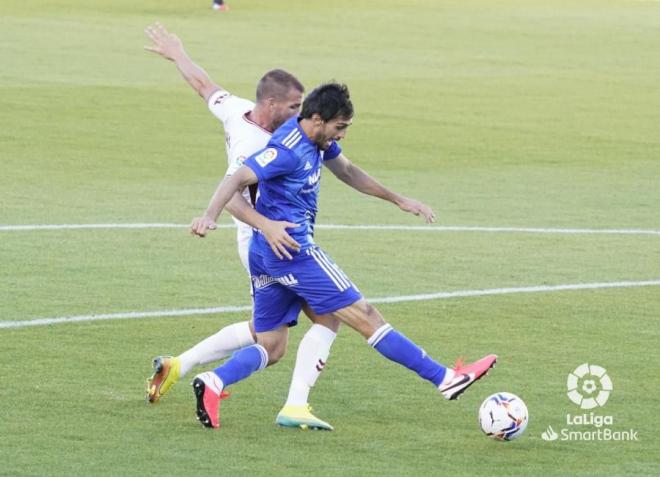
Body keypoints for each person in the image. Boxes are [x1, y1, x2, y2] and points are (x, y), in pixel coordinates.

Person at [188, 82, 498, 429]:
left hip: (266, 254)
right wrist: (215, 217)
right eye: (340, 127)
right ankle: (445, 379)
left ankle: (215, 382)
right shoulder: (287, 149)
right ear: (318, 119)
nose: (343, 135)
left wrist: (399, 199)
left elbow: (348, 171)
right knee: (366, 315)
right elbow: (235, 180)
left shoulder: (317, 139)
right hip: (293, 250)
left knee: (273, 345)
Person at [143, 23, 341, 430]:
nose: (299, 115)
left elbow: (204, 85)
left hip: (269, 237)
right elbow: (232, 195)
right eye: (293, 107)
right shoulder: (256, 145)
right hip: (266, 239)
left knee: (269, 334)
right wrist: (262, 225)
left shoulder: (235, 107)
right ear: (270, 104)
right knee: (320, 319)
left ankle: (180, 365)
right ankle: (289, 404)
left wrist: (178, 52)